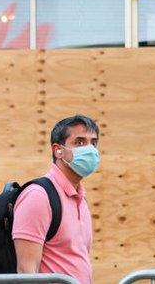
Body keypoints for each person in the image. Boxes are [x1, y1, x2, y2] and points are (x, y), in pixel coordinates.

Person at [12, 114, 100, 284]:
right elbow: (26, 271)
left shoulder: (80, 198)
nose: (90, 149)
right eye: (80, 142)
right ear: (57, 150)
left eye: (93, 143)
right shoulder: (38, 196)